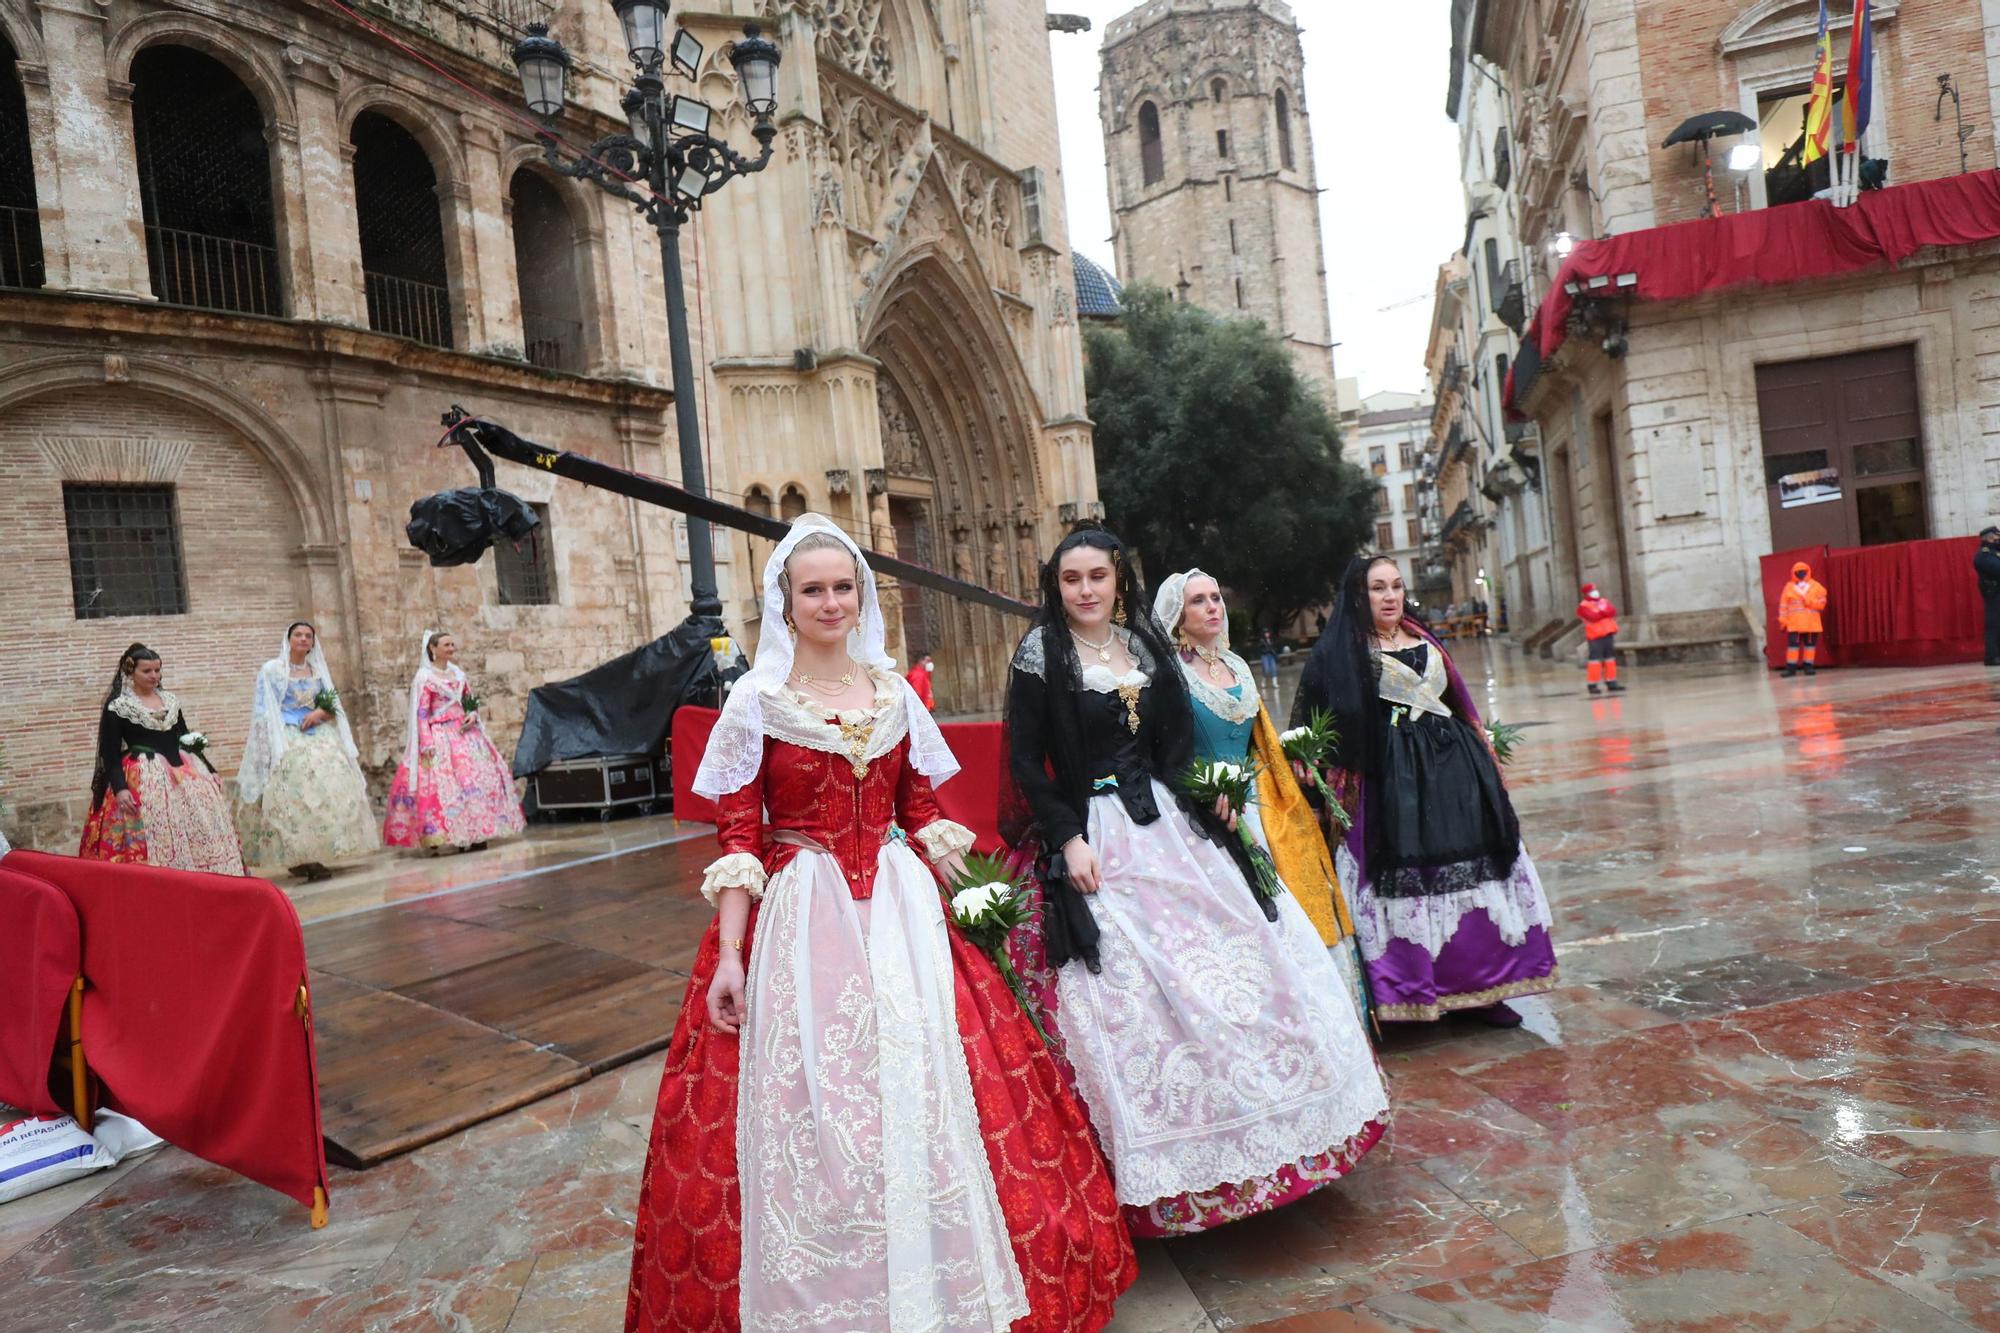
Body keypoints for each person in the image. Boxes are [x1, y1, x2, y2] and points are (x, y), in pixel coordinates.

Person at [625, 514, 1134, 1332]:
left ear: (860, 595)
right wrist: (729, 955)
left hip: (903, 911)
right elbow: (740, 837)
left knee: (946, 1093)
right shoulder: (757, 699)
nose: (830, 602)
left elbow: (922, 811)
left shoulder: (894, 692)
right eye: (812, 589)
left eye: (842, 587)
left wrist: (971, 901)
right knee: (812, 1115)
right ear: (785, 603)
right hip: (799, 918)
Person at [1004, 528, 1388, 1238]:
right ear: (1055, 586)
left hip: (1169, 826)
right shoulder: (1039, 655)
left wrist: (1200, 791)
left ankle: (1266, 1144)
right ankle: (1167, 1175)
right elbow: (1028, 763)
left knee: (1239, 959)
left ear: (1120, 582)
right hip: (1094, 834)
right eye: (1070, 579)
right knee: (1132, 988)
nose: (1085, 590)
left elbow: (1171, 743)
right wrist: (1068, 836)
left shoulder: (1144, 647)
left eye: (1097, 576)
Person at [1292, 556, 1558, 1027]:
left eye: (1396, 586)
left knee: (1471, 872)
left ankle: (1483, 988)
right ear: (1358, 595)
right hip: (1389, 786)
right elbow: (1314, 725)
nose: (1390, 596)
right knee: (1407, 877)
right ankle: (1410, 991)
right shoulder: (1339, 653)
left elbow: (1457, 703)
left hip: (1456, 776)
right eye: (1378, 588)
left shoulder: (1425, 639)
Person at [1153, 568, 1374, 1025]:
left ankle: (1320, 1014)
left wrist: (1293, 761)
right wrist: (1203, 792)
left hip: (1261, 799)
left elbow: (1260, 739)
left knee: (1290, 899)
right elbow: (1167, 750)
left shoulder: (1235, 666)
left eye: (1216, 597)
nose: (1213, 606)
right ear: (1177, 617)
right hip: (1210, 807)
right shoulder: (1170, 676)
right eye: (1199, 601)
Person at [79, 643, 244, 875]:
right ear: (130, 672)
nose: (154, 675)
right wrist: (119, 788)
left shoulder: (170, 700)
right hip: (142, 777)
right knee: (153, 833)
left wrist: (209, 769)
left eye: (157, 670)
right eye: (147, 671)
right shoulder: (119, 706)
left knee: (198, 828)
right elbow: (109, 752)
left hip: (183, 772)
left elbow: (186, 738)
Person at [235, 622, 379, 880]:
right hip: (287, 738)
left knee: (325, 792)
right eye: (298, 635)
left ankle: (316, 851)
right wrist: (268, 746)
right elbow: (263, 709)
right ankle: (297, 857)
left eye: (308, 636)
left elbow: (331, 703)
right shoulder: (273, 670)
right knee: (294, 798)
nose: (303, 639)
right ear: (288, 639)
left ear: (313, 642)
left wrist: (321, 712)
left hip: (319, 736)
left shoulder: (317, 670)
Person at [382, 630, 525, 852]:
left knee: (474, 781)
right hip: (440, 735)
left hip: (465, 732)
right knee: (445, 784)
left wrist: (473, 714)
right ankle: (446, 834)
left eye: (452, 645)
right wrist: (427, 742)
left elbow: (469, 701)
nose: (451, 648)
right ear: (433, 648)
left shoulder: (458, 674)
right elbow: (421, 713)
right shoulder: (425, 678)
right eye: (446, 645)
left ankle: (478, 832)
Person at [1778, 560, 1829, 678]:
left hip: (1811, 623)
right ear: (1793, 573)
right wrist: (1783, 621)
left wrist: (1810, 602)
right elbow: (1783, 606)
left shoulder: (1816, 586)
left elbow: (1822, 603)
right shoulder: (1789, 587)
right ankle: (1791, 668)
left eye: (1803, 572)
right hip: (1795, 623)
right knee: (1793, 647)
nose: (1801, 574)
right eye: (1798, 572)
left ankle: (1808, 666)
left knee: (1810, 646)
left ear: (1808, 572)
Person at [1577, 583, 1625, 695]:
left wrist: (1600, 612)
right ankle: (1592, 685)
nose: (1595, 591)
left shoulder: (1603, 601)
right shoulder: (1583, 606)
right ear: (1587, 593)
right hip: (1595, 636)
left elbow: (1612, 612)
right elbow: (1593, 617)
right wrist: (1603, 612)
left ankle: (1611, 682)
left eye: (1595, 589)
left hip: (1608, 633)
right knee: (1595, 661)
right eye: (1592, 590)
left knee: (1610, 659)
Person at [1975, 526, 2000, 667]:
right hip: (1994, 593)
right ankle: (1992, 656)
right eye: (1997, 537)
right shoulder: (1984, 555)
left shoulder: (1995, 552)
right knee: (1994, 625)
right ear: (1990, 538)